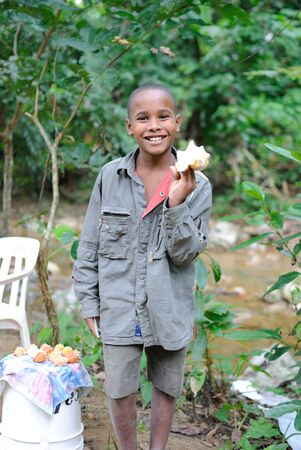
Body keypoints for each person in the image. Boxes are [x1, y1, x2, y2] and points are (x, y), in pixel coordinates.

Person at [73, 82, 212, 450]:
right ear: (129, 127)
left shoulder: (199, 185)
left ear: (177, 123)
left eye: (163, 116)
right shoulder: (109, 177)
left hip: (169, 302)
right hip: (118, 302)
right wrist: (89, 299)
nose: (154, 125)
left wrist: (176, 204)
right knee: (119, 388)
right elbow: (90, 243)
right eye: (143, 118)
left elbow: (185, 254)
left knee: (166, 384)